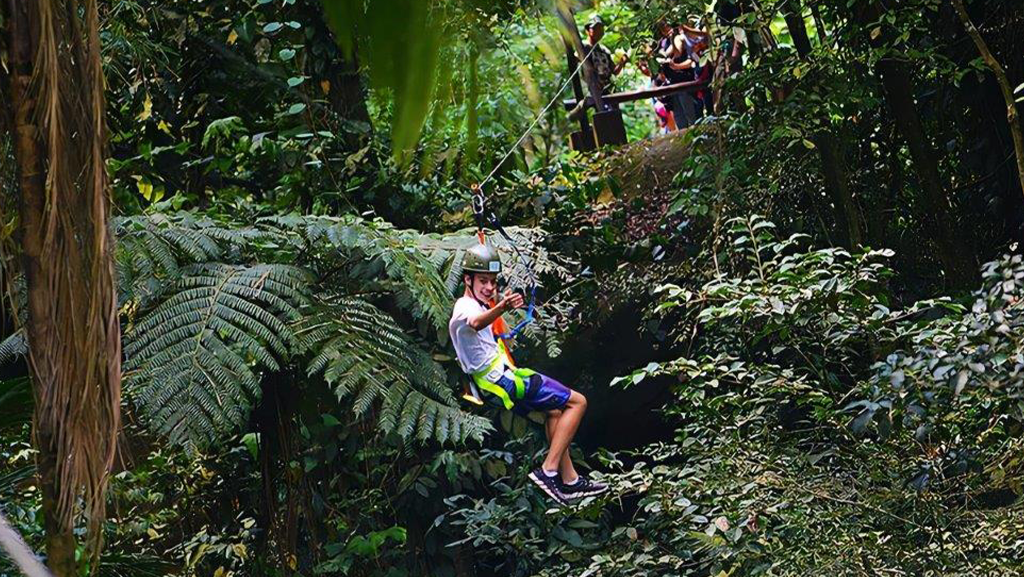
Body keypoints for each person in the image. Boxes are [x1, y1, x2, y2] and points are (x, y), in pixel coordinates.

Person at [449, 244, 609, 505]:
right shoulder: (466, 307)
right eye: (483, 282)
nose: (489, 288)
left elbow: (484, 310)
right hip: (503, 381)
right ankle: (548, 471)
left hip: (492, 385)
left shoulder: (476, 302)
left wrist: (495, 297)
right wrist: (501, 306)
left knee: (555, 412)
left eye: (492, 282)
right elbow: (476, 323)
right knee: (578, 402)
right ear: (467, 279)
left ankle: (569, 481)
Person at [582, 14, 626, 95]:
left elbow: (614, 72)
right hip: (592, 91)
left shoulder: (604, 50)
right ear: (588, 31)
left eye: (601, 28)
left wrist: (622, 62)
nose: (599, 31)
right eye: (596, 28)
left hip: (608, 89)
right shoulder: (583, 47)